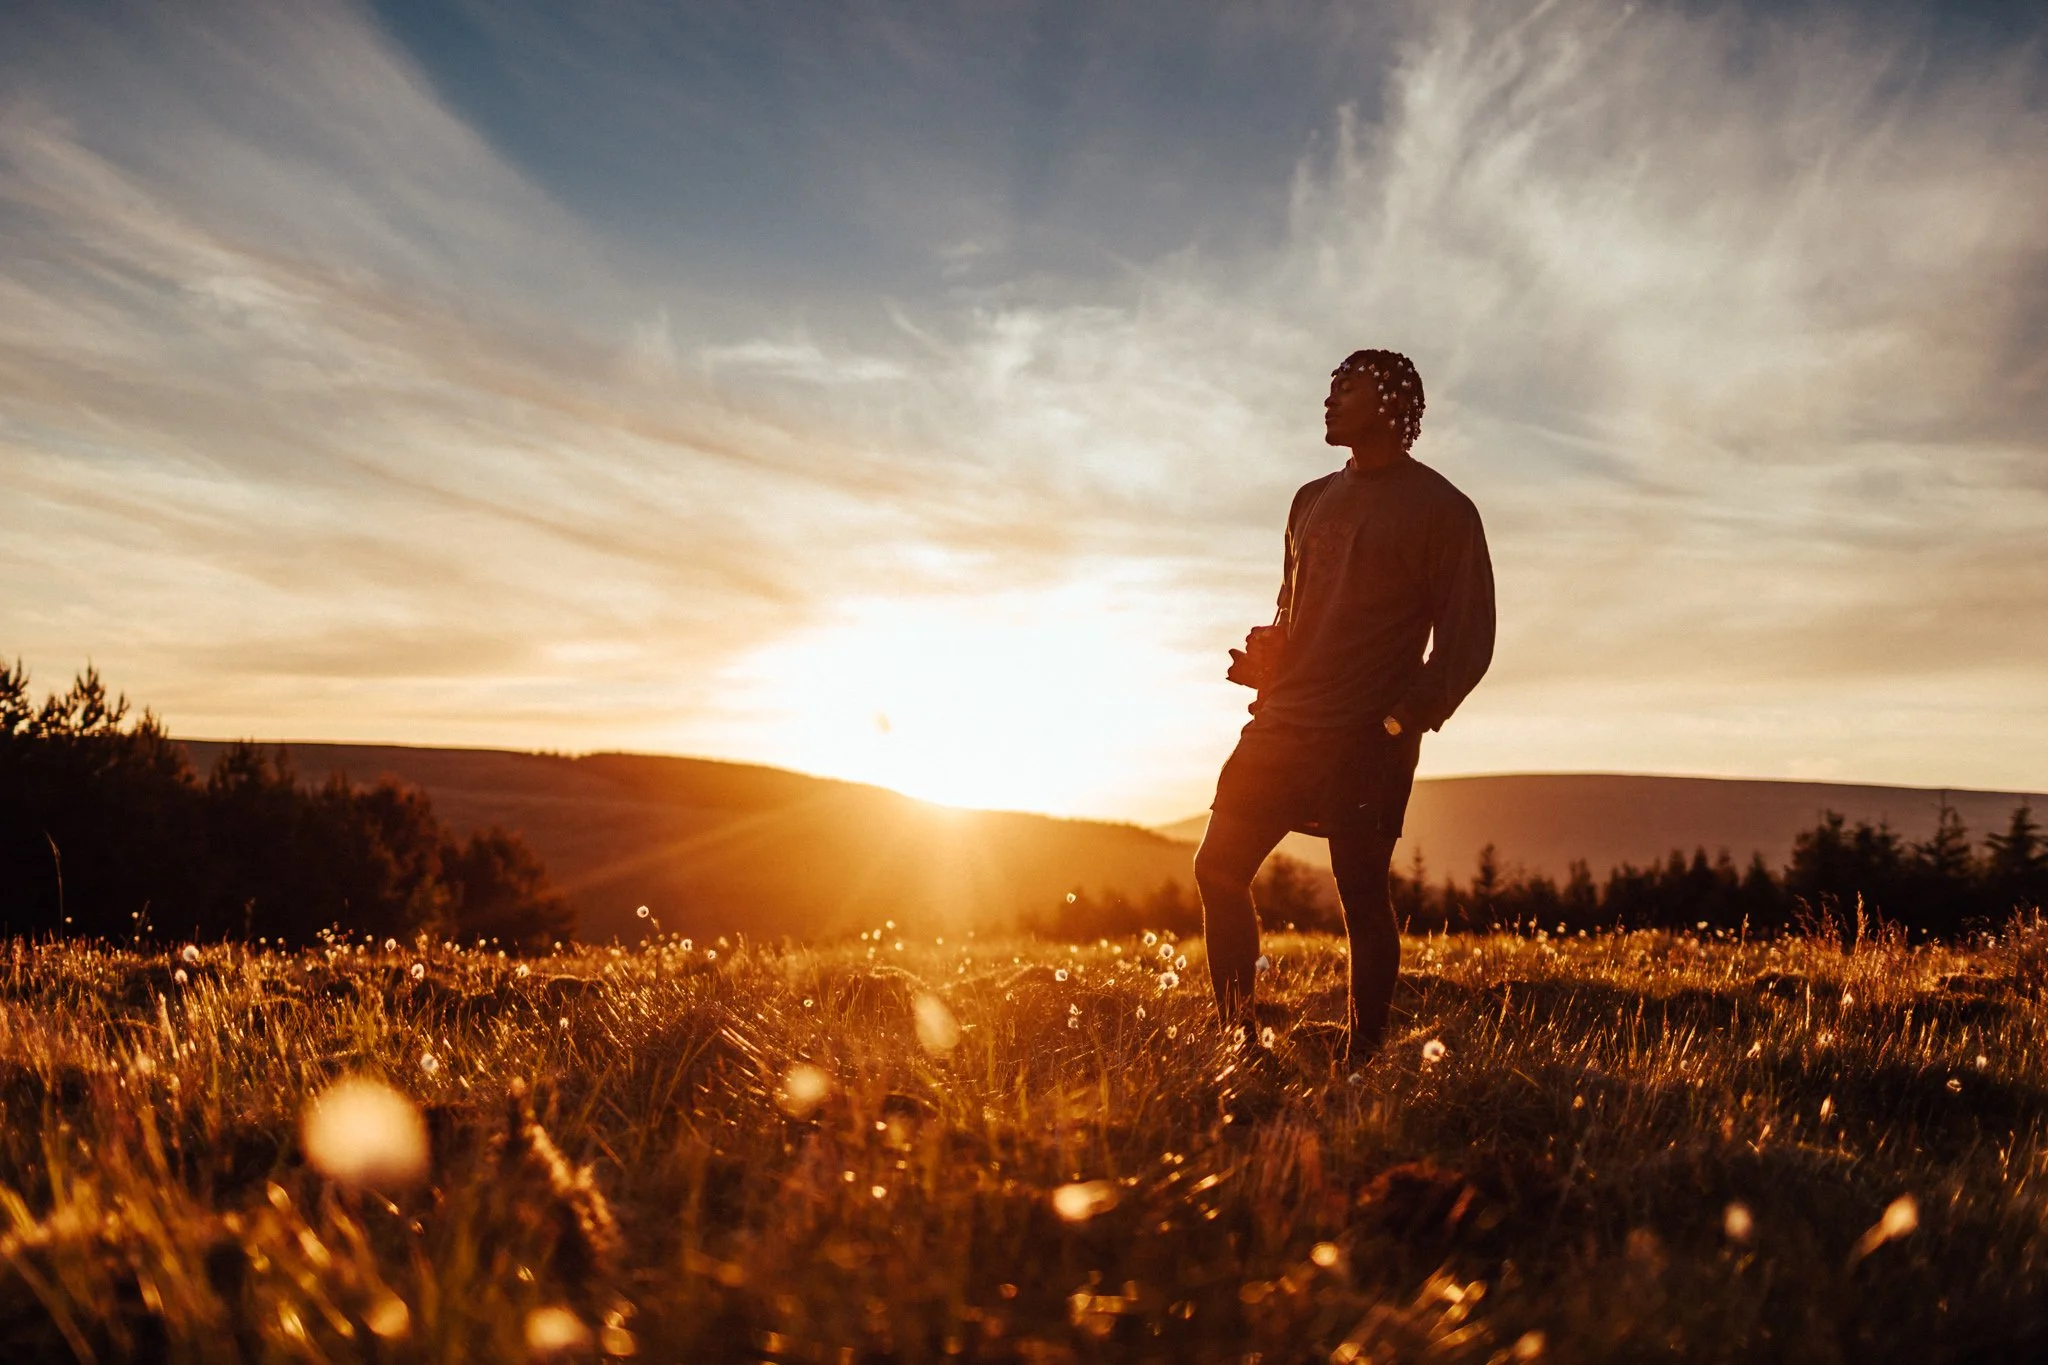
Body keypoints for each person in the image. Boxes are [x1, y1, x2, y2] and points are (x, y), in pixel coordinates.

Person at [1195, 349, 1494, 1069]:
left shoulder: (1444, 511)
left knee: (1360, 894)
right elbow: (1293, 609)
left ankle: (1364, 1055)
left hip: (1367, 735)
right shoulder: (1309, 499)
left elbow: (1468, 639)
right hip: (1283, 722)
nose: (1329, 401)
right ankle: (1241, 1044)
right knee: (1217, 870)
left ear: (1389, 404)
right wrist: (1269, 660)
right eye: (1330, 387)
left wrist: (1402, 719)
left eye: (1347, 389)